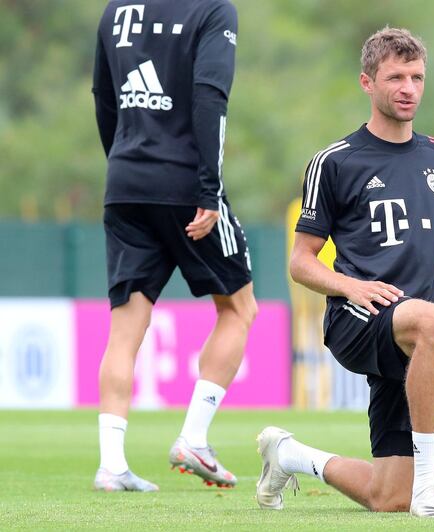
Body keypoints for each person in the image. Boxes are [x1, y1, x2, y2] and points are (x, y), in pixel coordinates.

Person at [255, 27, 434, 517]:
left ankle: (287, 455)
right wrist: (353, 286)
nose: (408, 87)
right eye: (395, 77)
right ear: (367, 83)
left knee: (388, 498)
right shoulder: (335, 162)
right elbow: (300, 261)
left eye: (416, 77)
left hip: (418, 331)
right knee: (432, 322)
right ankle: (432, 487)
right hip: (358, 317)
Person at [91, 0, 256, 491]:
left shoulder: (116, 10)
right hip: (186, 187)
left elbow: (104, 97)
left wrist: (123, 165)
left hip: (124, 184)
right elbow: (211, 97)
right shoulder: (213, 10)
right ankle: (194, 438)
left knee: (125, 330)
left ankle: (112, 466)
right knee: (239, 308)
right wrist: (208, 190)